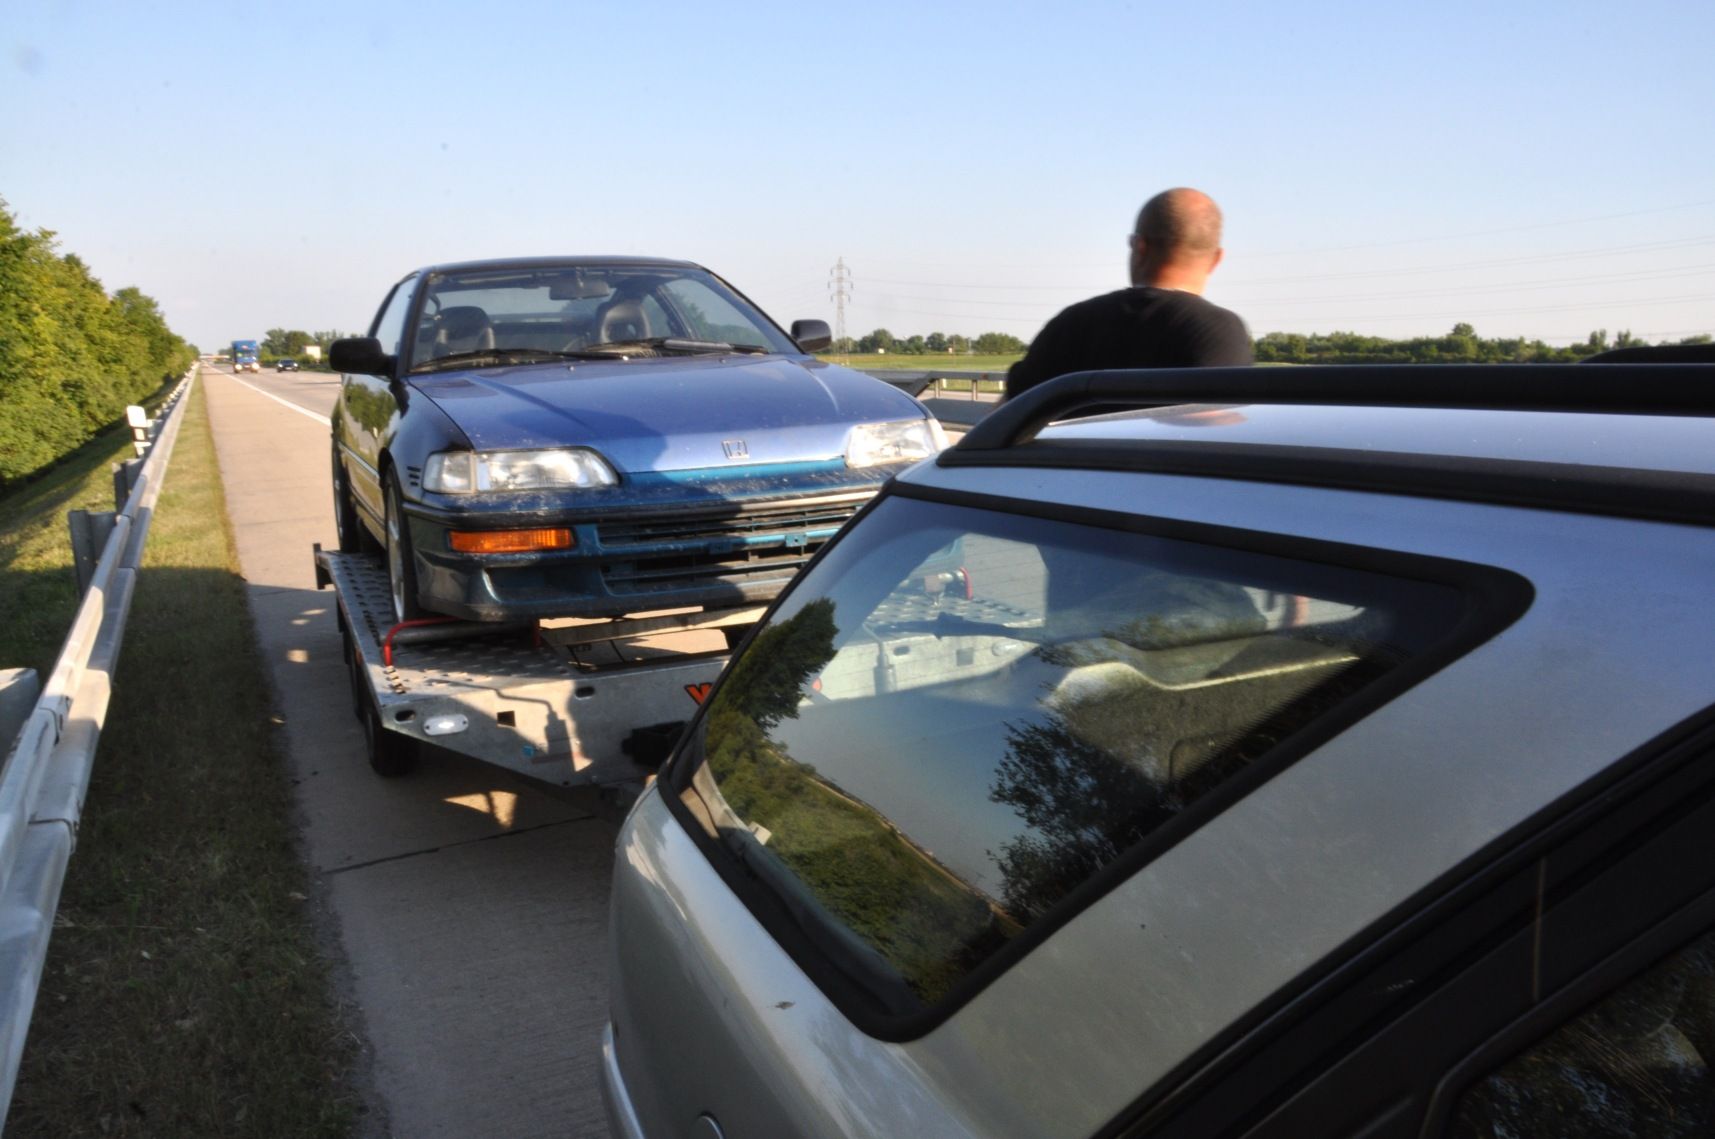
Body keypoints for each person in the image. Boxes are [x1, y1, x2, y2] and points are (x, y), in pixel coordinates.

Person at [1004, 188, 1253, 402]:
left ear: (1139, 246)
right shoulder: (1220, 331)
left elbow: (1006, 418)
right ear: (1216, 259)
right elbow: (1222, 427)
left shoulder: (1069, 324)